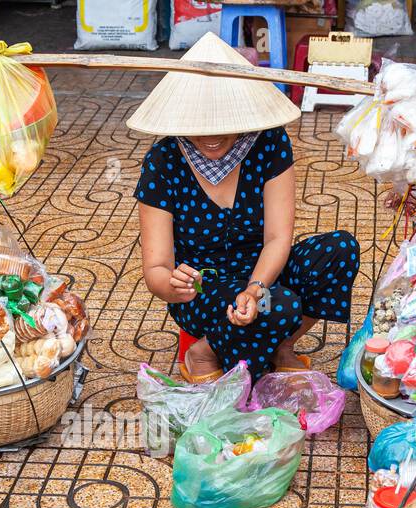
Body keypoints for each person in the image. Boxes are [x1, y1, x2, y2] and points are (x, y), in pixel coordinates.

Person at [127, 33, 361, 382]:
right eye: (197, 127)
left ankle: (281, 346)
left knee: (339, 249)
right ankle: (202, 352)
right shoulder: (163, 161)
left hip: (265, 275)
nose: (211, 137)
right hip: (205, 291)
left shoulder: (269, 144)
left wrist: (254, 289)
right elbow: (156, 270)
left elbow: (278, 238)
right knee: (279, 306)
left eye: (224, 124)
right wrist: (173, 284)